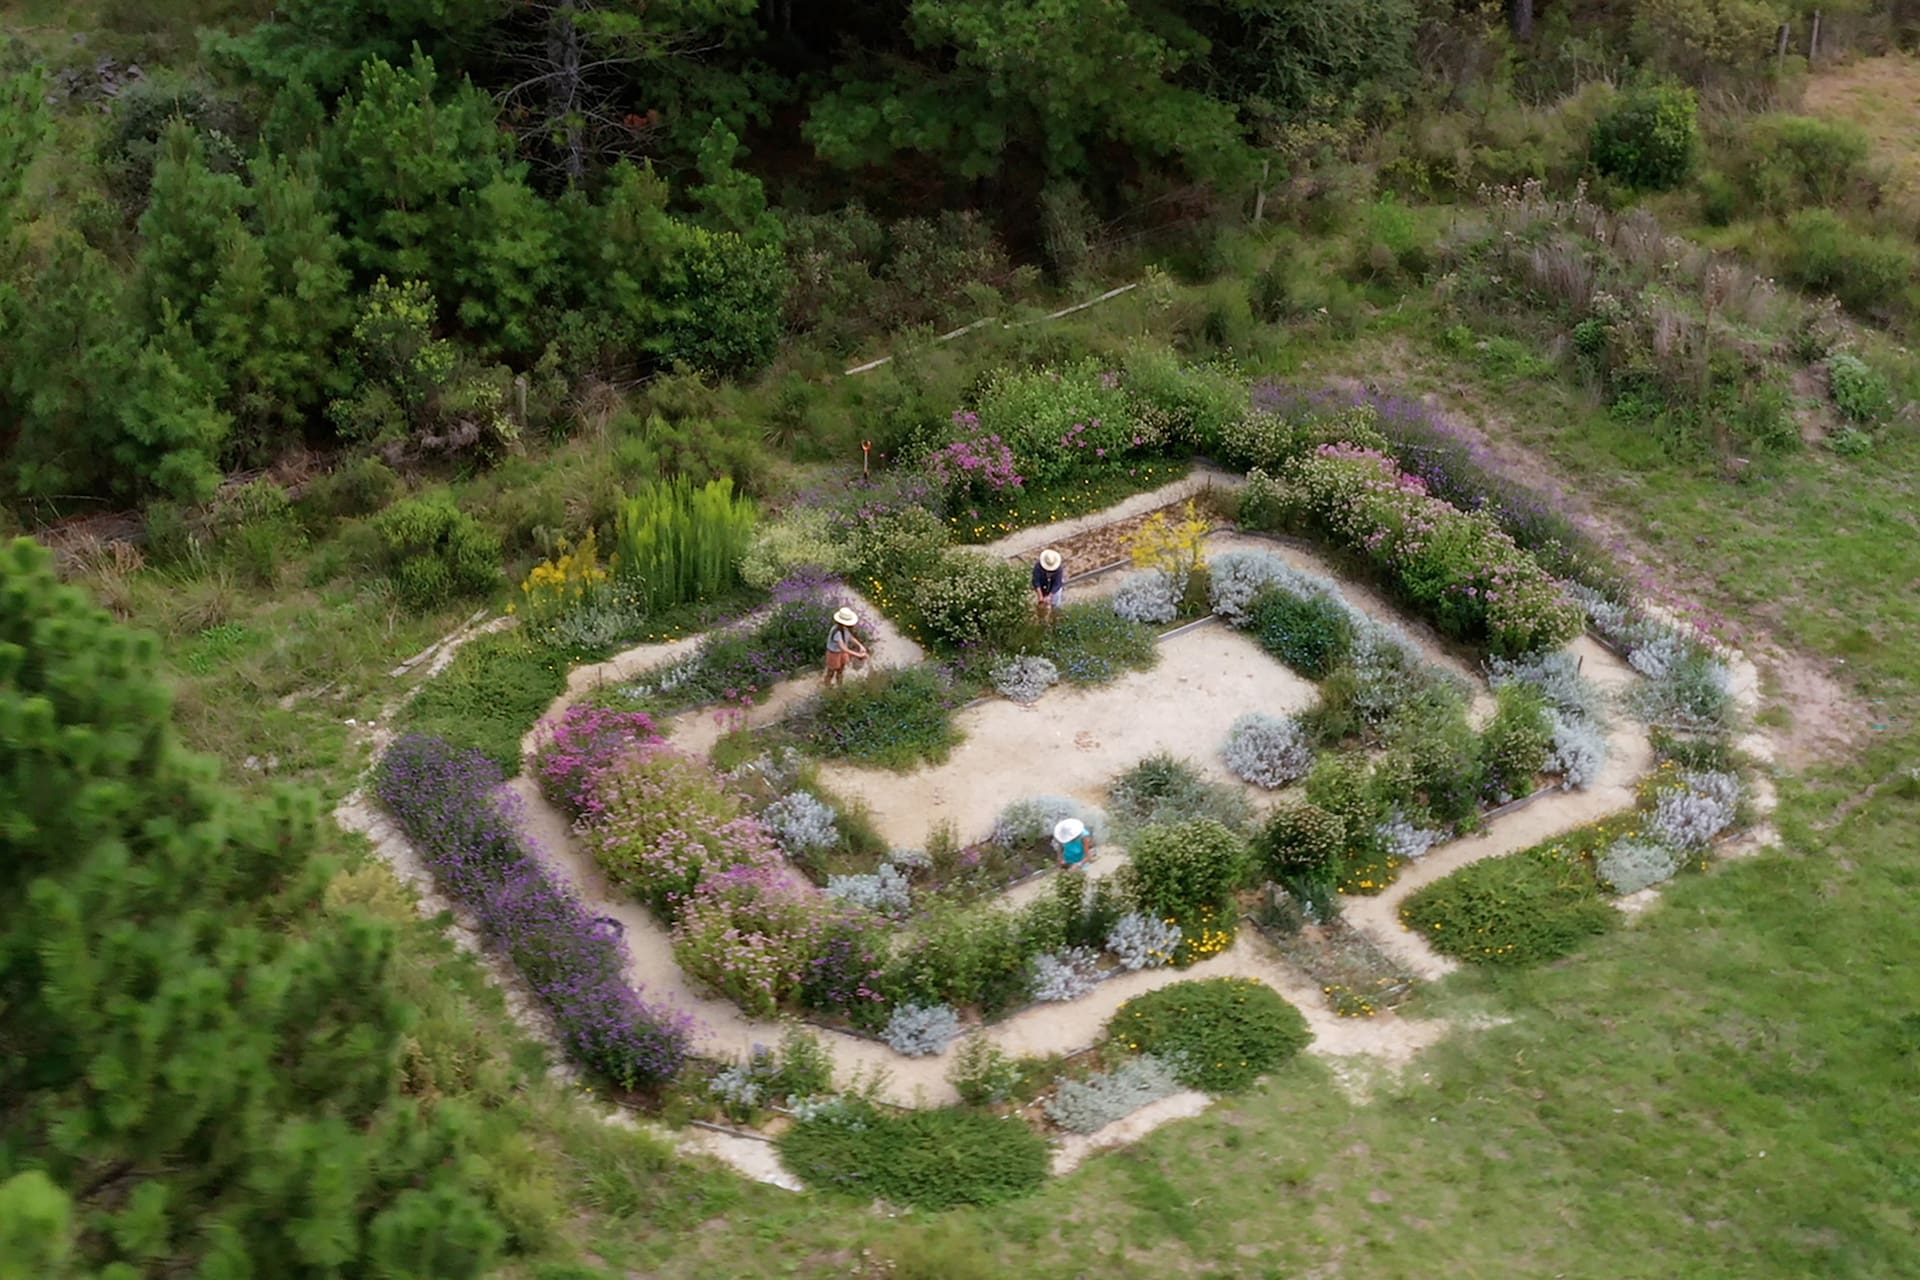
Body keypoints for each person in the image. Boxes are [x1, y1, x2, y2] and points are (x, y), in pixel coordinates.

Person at [824, 606, 869, 688]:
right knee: (831, 671)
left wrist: (860, 645)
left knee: (841, 669)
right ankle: (828, 686)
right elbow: (843, 647)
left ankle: (839, 684)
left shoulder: (845, 629)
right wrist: (857, 654)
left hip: (841, 653)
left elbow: (850, 638)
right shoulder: (837, 631)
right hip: (834, 653)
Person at [1032, 548, 1066, 624]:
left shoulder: (1059, 569)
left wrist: (1049, 596)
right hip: (1042, 586)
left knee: (1056, 605)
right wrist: (1040, 596)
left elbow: (1057, 584)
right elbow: (1036, 581)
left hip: (1054, 588)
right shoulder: (1038, 567)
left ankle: (1055, 620)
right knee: (1041, 606)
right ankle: (1042, 621)